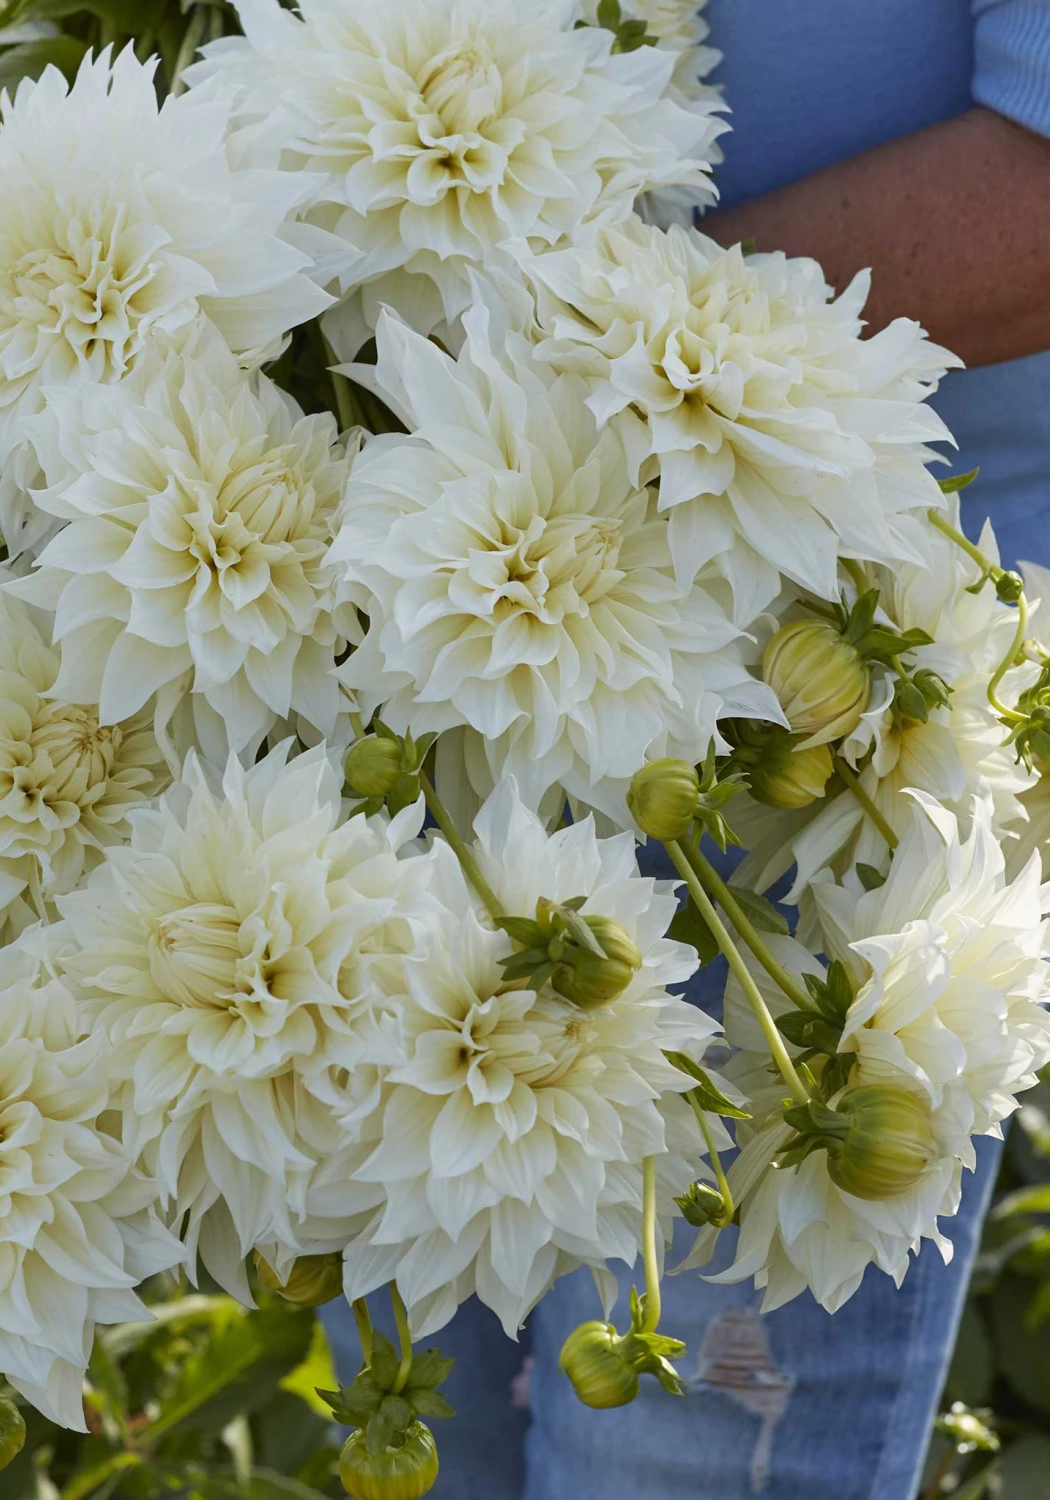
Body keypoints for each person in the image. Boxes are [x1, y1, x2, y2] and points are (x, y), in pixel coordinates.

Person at [324, 4, 1050, 1496]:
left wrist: (518, 346)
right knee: (425, 1415)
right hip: (421, 625)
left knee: (689, 1446)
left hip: (833, 718)